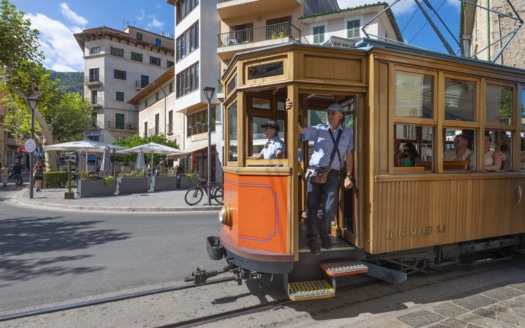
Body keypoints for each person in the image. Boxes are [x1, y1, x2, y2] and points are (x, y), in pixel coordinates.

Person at [286, 99, 354, 255]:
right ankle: (312, 238)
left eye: (333, 113)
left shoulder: (347, 133)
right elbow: (301, 131)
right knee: (312, 207)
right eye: (328, 113)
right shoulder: (319, 129)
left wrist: (348, 175)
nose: (329, 115)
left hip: (333, 176)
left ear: (341, 116)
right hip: (316, 173)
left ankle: (325, 235)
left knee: (329, 208)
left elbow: (349, 156)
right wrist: (292, 113)